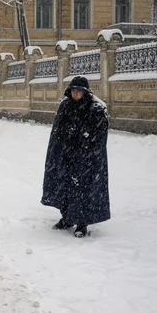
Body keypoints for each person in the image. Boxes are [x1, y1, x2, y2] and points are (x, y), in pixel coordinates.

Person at [42, 76, 110, 238]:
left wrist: (84, 143)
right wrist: (61, 149)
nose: (76, 94)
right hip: (66, 155)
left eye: (79, 91)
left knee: (83, 189)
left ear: (85, 92)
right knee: (65, 186)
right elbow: (57, 130)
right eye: (73, 90)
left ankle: (82, 223)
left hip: (87, 159)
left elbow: (99, 135)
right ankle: (67, 217)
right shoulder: (65, 105)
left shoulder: (95, 108)